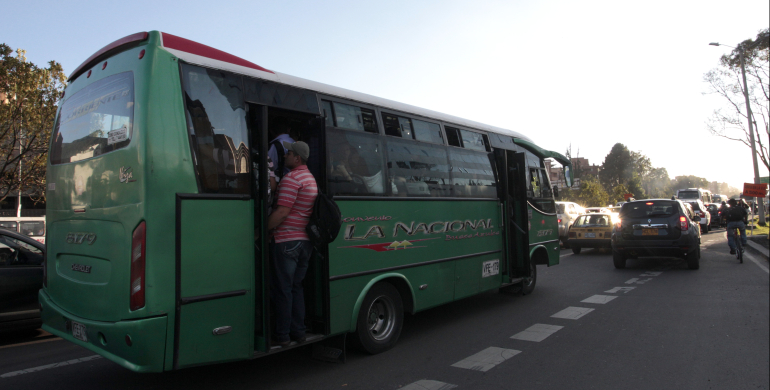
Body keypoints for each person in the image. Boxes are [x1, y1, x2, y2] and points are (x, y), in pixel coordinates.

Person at [267, 141, 318, 346]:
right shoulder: (309, 178)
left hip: (287, 241)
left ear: (297, 158)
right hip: (304, 243)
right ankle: (298, 331)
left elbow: (282, 212)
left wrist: (262, 230)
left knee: (283, 289)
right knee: (296, 287)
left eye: (288, 153)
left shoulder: (292, 178)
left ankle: (282, 335)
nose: (285, 155)